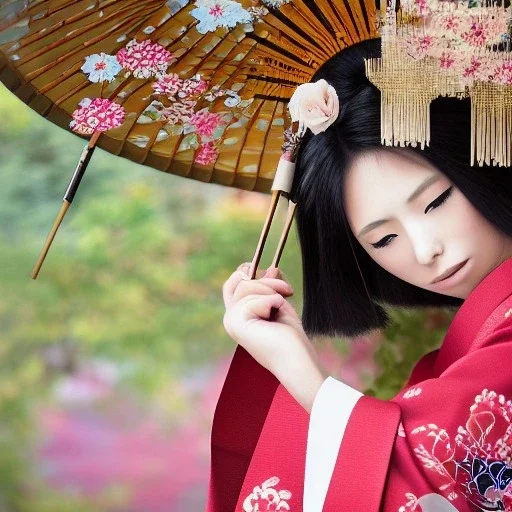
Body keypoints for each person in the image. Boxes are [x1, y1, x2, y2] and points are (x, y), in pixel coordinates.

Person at [207, 38, 512, 512]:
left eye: (436, 201)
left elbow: (422, 481)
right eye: (383, 240)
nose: (427, 249)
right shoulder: (462, 354)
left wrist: (296, 368)